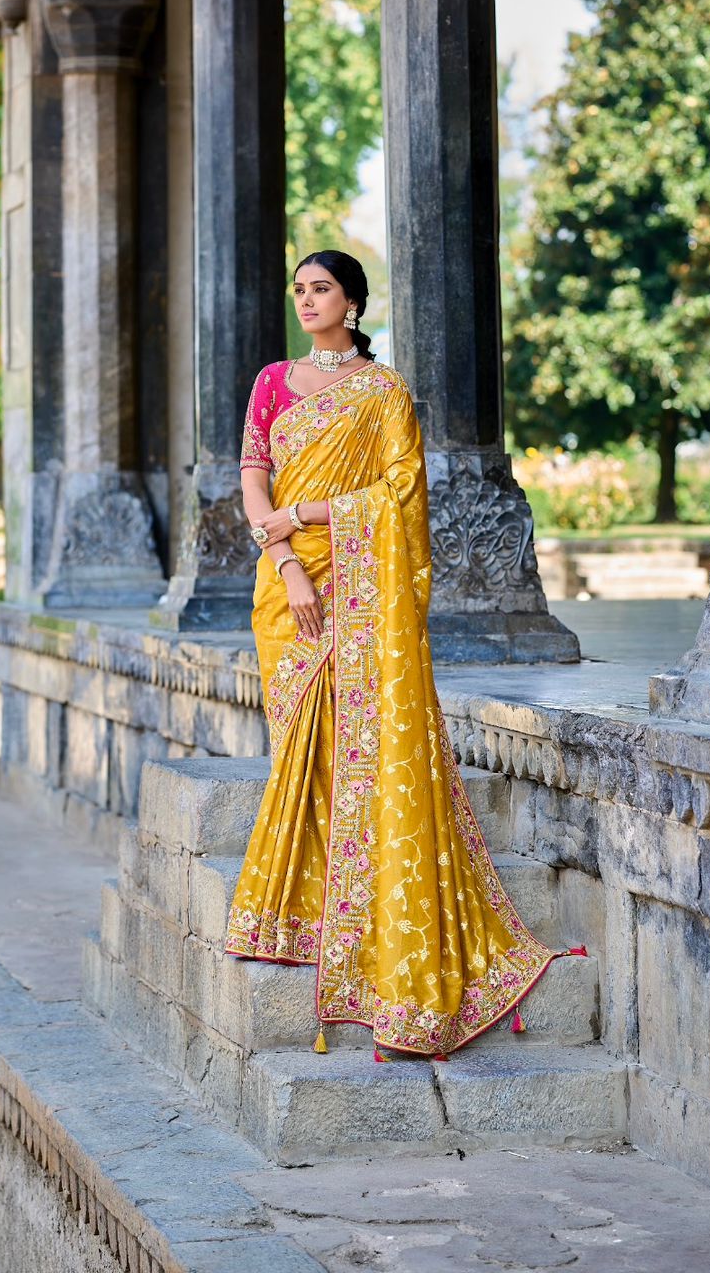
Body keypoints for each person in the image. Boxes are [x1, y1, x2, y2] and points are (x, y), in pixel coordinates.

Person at [227, 248, 571, 1058]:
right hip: (286, 589)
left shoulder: (382, 394)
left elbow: (398, 496)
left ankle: (358, 899)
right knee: (297, 748)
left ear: (352, 304)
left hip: (351, 581)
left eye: (322, 291)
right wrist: (283, 557)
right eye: (300, 291)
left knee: (360, 744)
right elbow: (252, 478)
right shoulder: (273, 381)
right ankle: (302, 907)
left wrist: (304, 514)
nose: (307, 301)